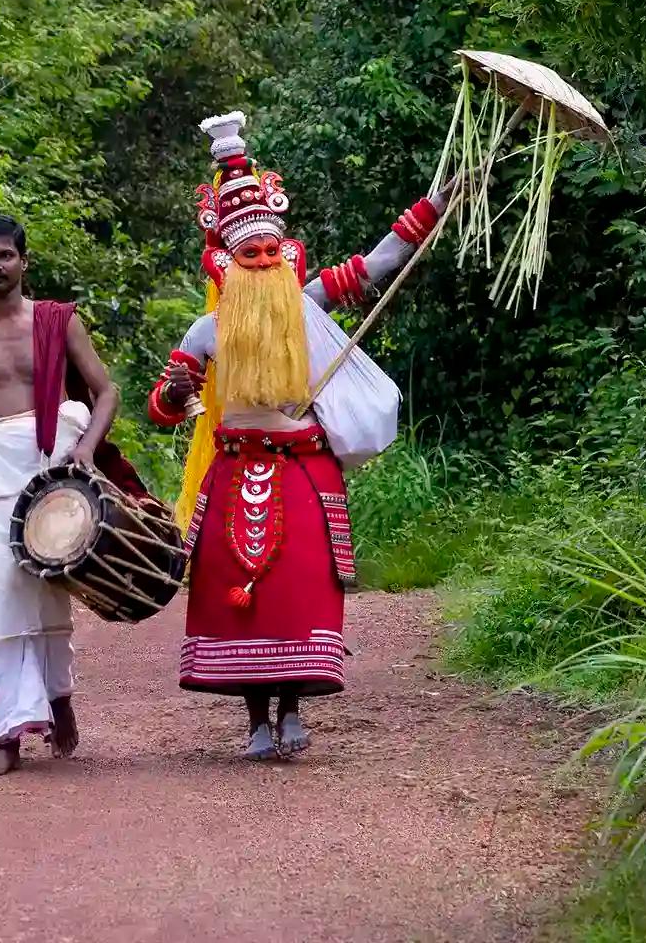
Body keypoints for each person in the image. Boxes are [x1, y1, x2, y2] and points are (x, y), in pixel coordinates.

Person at [145, 112, 453, 761]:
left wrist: (434, 204)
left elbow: (378, 263)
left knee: (300, 591)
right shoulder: (207, 331)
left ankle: (291, 713)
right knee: (238, 598)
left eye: (269, 252)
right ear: (228, 261)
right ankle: (256, 720)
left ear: (284, 255)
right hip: (234, 472)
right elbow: (165, 408)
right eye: (249, 254)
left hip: (305, 470)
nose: (261, 263)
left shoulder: (309, 303)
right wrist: (175, 393)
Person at [0, 210, 132, 775]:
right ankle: (8, 733)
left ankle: (59, 698)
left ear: (23, 262)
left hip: (54, 471)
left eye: (5, 255)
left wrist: (86, 450)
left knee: (50, 589)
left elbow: (106, 392)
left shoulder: (58, 322)